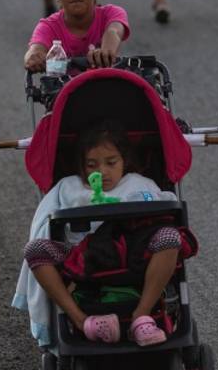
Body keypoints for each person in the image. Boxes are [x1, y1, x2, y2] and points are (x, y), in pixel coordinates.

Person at [13, 120, 191, 347]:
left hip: (131, 252)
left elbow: (164, 212)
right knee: (35, 249)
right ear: (81, 165)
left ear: (124, 161)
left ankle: (141, 316)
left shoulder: (139, 184)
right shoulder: (68, 187)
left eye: (111, 162)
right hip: (82, 255)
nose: (102, 171)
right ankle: (80, 320)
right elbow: (43, 223)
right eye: (91, 165)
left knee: (169, 237)